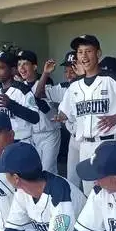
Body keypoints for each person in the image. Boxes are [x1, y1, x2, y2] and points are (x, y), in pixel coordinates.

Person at [55, 34, 116, 193]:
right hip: (85, 146)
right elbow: (65, 112)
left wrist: (115, 117)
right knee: (91, 193)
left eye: (88, 51)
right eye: (80, 52)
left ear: (98, 53)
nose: (84, 56)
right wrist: (59, 117)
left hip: (109, 144)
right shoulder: (75, 86)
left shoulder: (112, 79)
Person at [35, 51, 84, 189]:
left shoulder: (92, 87)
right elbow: (39, 94)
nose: (69, 75)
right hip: (74, 138)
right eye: (66, 71)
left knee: (91, 180)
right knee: (72, 179)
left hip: (90, 139)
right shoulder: (64, 88)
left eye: (72, 70)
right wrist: (45, 73)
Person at [17, 50, 61, 174]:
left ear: (35, 66)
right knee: (35, 171)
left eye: (25, 64)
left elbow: (45, 108)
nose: (21, 68)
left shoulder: (45, 81)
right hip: (31, 135)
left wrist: (26, 90)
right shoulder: (19, 86)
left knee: (48, 170)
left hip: (49, 133)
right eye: (19, 64)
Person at [0, 50, 40, 142]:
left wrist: (11, 105)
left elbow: (35, 118)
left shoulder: (23, 90)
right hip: (1, 143)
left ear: (13, 70)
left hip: (22, 141)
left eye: (0, 68)